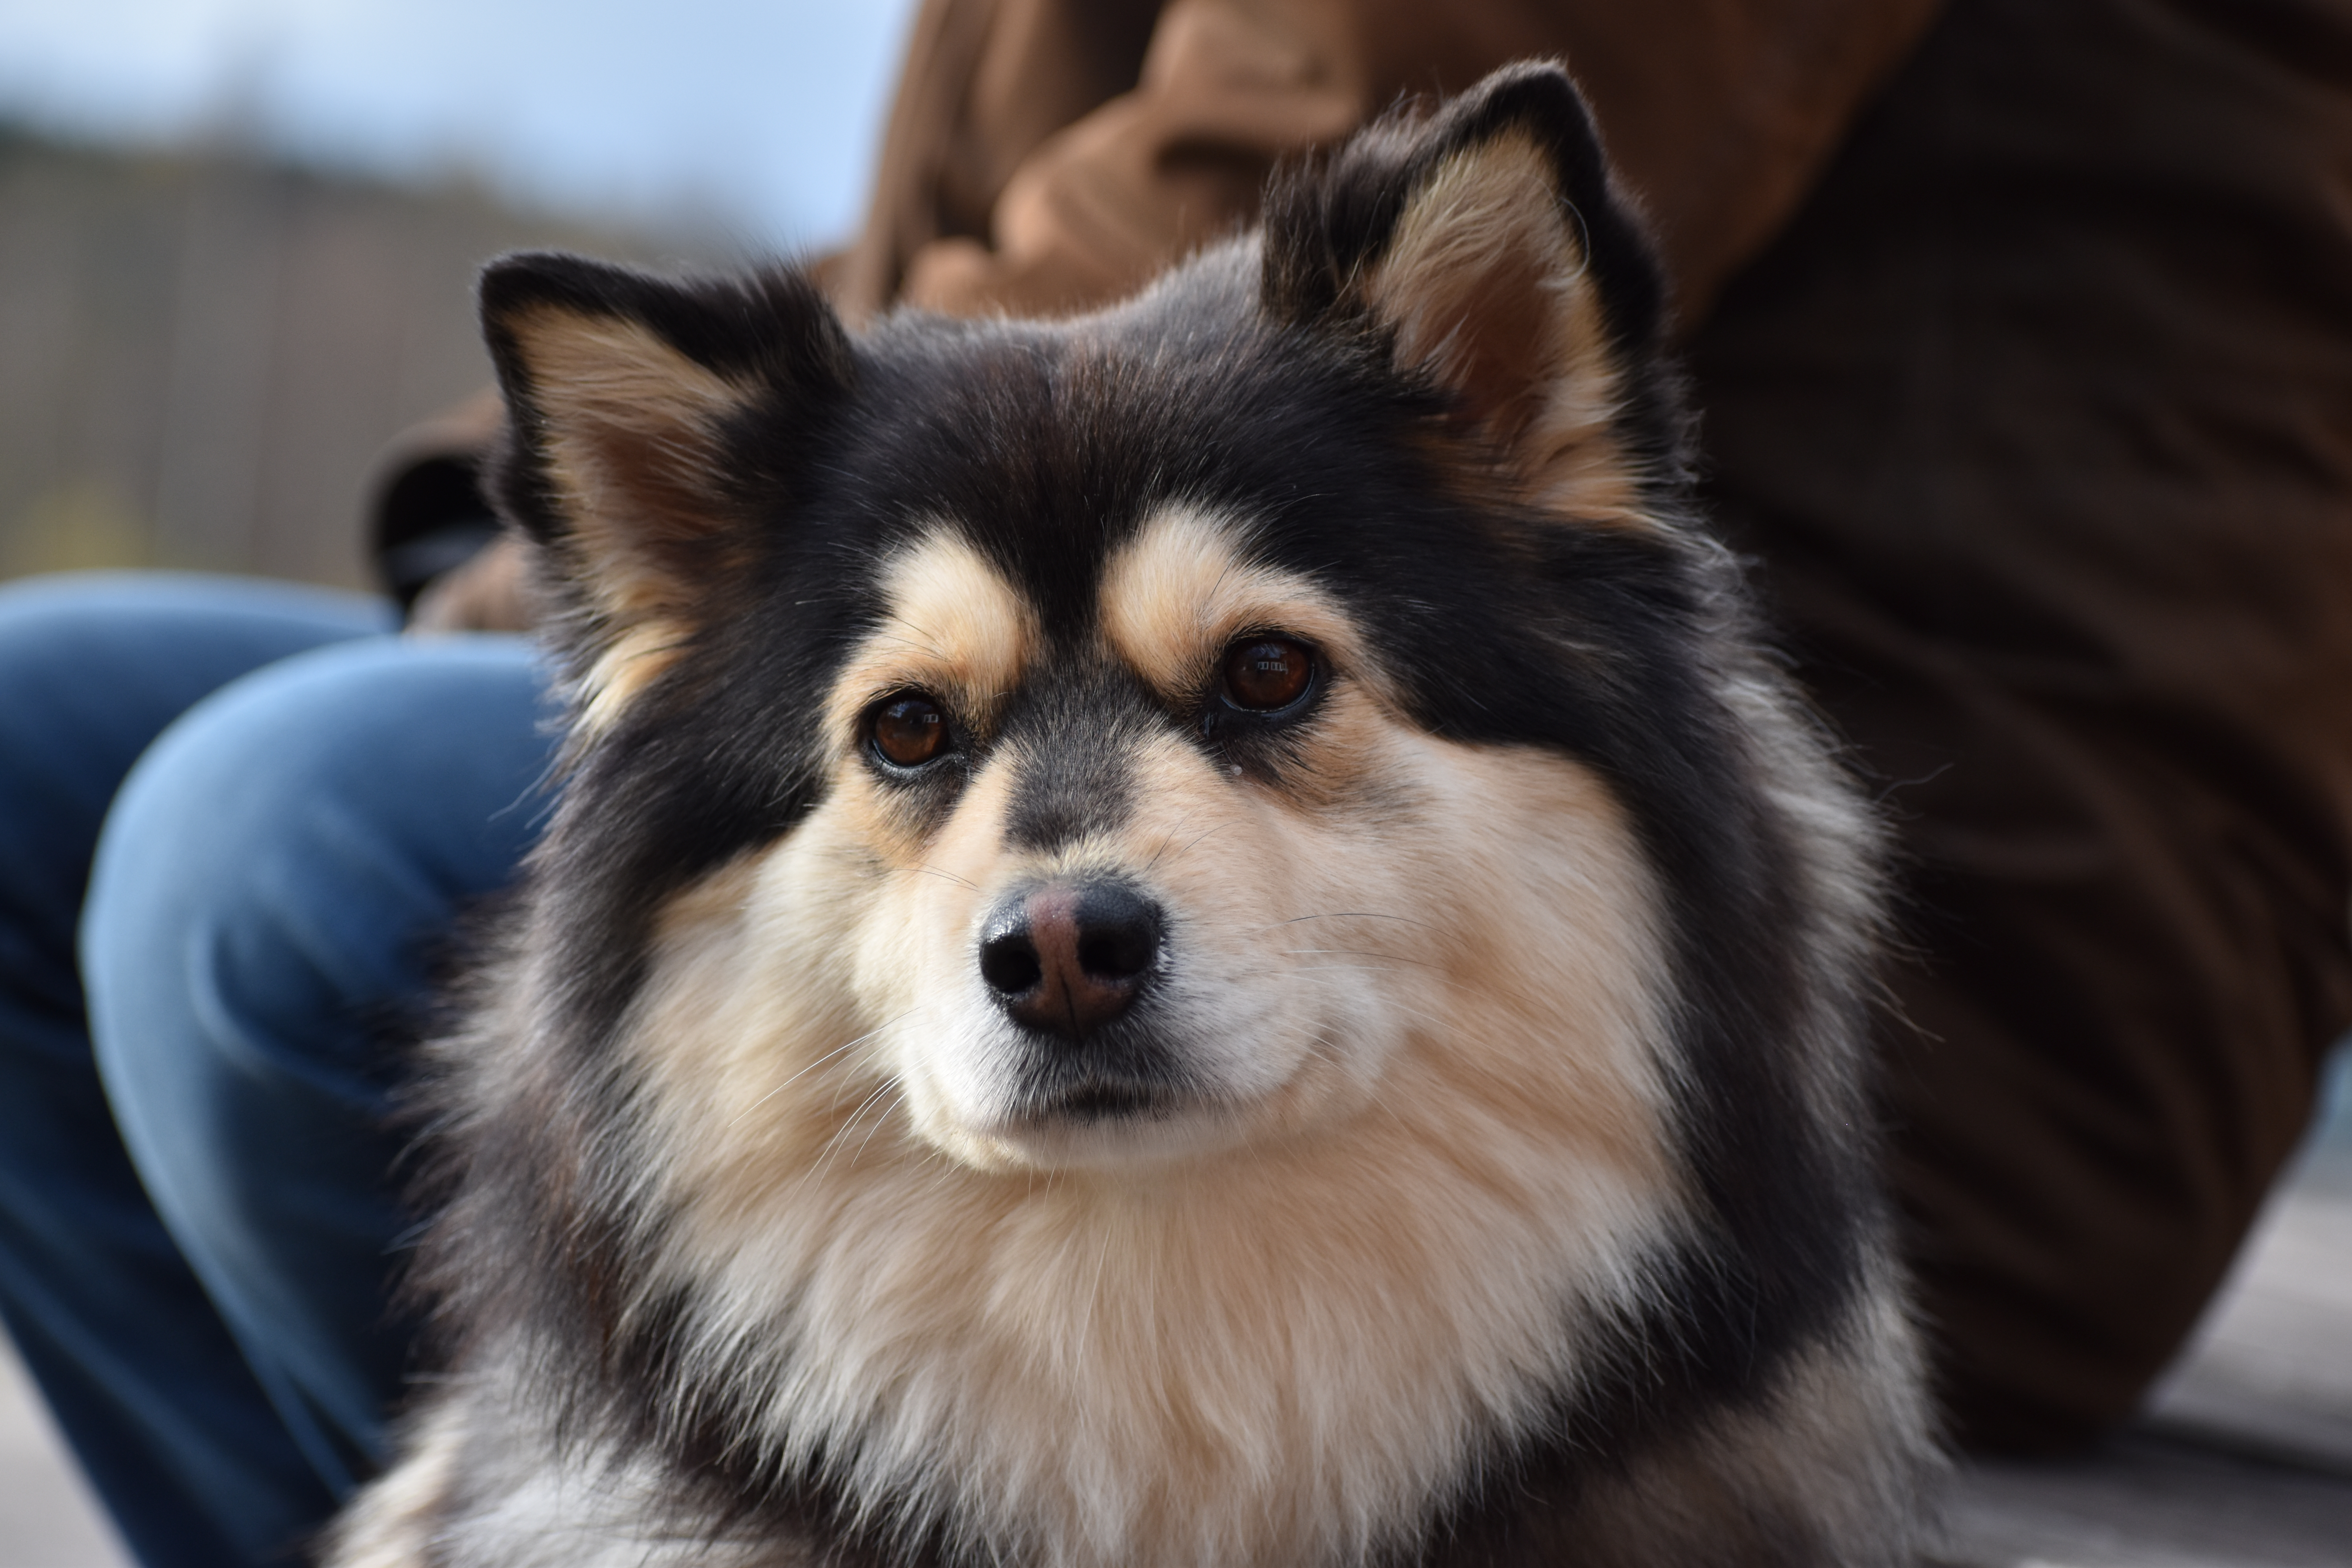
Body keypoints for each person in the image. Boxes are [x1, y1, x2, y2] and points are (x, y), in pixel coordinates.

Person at [4, 0, 2351, 1563]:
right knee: (36, 742)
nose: (1064, 909)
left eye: (1256, 688)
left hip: (1950, 925)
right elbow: (949, 267)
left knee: (273, 855)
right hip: (1015, 537)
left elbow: (1295, 169)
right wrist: (563, 554)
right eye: (904, 743)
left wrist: (784, 574)